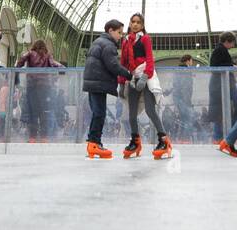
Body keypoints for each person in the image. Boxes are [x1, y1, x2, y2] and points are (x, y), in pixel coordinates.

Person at [118, 13, 170, 158]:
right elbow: (123, 63)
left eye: (138, 22)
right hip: (133, 77)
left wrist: (145, 77)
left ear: (142, 25)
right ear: (129, 23)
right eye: (133, 21)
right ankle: (135, 141)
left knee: (150, 109)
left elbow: (150, 59)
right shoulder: (125, 41)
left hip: (146, 77)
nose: (135, 24)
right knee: (131, 113)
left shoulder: (145, 38)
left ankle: (164, 140)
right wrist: (122, 83)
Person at [82, 19, 131, 158]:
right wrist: (129, 74)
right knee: (99, 114)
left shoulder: (98, 42)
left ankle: (93, 143)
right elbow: (113, 65)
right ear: (110, 30)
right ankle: (94, 143)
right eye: (119, 32)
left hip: (93, 83)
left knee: (97, 113)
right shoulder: (108, 45)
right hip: (98, 84)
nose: (121, 36)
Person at [14, 39, 62, 143]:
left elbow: (20, 62)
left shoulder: (30, 53)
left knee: (33, 112)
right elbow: (54, 65)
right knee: (44, 112)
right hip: (45, 88)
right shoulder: (48, 55)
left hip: (32, 87)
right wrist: (63, 68)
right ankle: (44, 137)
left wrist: (16, 73)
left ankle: (32, 138)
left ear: (34, 46)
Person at [208, 31, 237, 139]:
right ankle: (220, 137)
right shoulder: (219, 50)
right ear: (227, 41)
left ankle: (219, 137)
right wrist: (231, 66)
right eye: (232, 42)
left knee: (220, 112)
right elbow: (214, 66)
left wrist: (231, 65)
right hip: (221, 85)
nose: (233, 45)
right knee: (223, 111)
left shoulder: (221, 50)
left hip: (223, 85)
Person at [169, 55, 196, 141]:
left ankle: (181, 138)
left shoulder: (178, 70)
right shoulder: (186, 71)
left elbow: (176, 85)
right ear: (188, 61)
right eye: (191, 61)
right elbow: (185, 87)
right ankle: (185, 139)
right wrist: (187, 101)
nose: (192, 63)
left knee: (183, 119)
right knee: (188, 119)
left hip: (178, 98)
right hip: (183, 99)